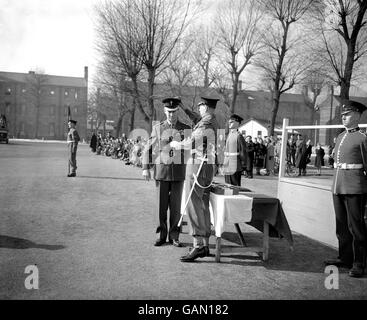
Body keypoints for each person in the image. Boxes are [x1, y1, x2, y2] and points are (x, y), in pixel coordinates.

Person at [170, 95, 220, 262]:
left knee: (193, 204)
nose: (198, 109)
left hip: (198, 166)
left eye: (200, 106)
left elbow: (191, 142)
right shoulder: (211, 119)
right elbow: (195, 118)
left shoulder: (206, 123)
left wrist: (176, 144)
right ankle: (205, 244)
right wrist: (183, 107)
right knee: (203, 205)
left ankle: (197, 245)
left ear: (205, 107)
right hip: (207, 167)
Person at [324, 100, 367, 278]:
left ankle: (359, 263)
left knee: (356, 227)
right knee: (341, 225)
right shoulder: (341, 136)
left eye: (347, 114)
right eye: (342, 115)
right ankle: (345, 258)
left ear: (357, 115)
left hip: (355, 188)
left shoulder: (363, 139)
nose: (343, 117)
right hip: (338, 185)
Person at [142, 97, 190, 248]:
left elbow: (191, 149)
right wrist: (145, 167)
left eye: (174, 112)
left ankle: (174, 236)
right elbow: (148, 147)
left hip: (178, 172)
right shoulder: (158, 128)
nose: (171, 115)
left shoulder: (185, 128)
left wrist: (183, 148)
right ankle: (161, 235)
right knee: (161, 207)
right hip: (161, 171)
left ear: (178, 111)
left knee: (176, 207)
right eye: (168, 112)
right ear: (164, 111)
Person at [223, 114, 247, 186]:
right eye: (229, 122)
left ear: (238, 123)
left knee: (234, 186)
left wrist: (244, 165)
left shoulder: (239, 136)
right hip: (227, 163)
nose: (229, 123)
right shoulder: (229, 135)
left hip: (235, 164)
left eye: (232, 122)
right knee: (227, 185)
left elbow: (243, 151)